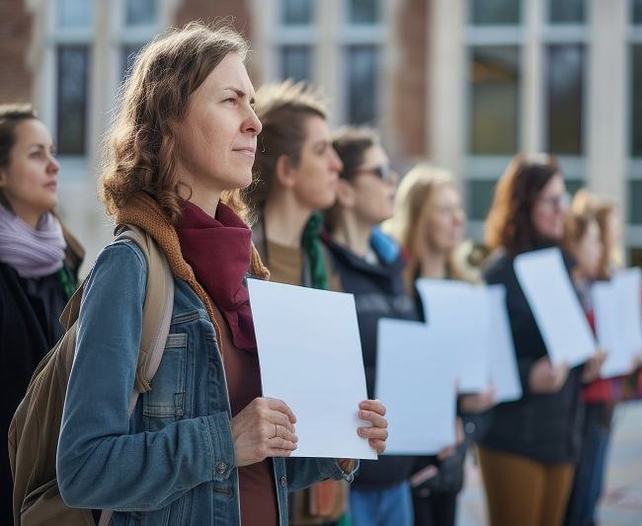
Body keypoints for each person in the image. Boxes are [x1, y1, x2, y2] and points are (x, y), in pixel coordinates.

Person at [55, 23, 387, 526]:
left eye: (252, 103)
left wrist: (340, 442)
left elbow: (252, 468)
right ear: (169, 123)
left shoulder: (247, 272)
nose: (254, 122)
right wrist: (224, 440)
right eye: (231, 100)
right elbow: (83, 470)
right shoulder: (130, 267)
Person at [477, 154, 604, 526]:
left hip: (562, 435)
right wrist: (529, 373)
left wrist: (587, 360)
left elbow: (568, 342)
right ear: (523, 204)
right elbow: (484, 359)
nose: (562, 209)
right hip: (513, 437)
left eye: (563, 198)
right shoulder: (499, 272)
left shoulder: (564, 263)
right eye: (551, 200)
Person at [246, 80, 347, 525]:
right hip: (260, 491)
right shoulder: (241, 259)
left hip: (317, 495)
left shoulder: (320, 259)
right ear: (286, 170)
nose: (337, 164)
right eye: (322, 150)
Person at [384, 164, 494, 526]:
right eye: (445, 210)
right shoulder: (395, 289)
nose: (457, 220)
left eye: (457, 209)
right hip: (404, 458)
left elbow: (478, 373)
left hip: (451, 457)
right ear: (417, 217)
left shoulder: (467, 288)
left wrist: (475, 401)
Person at [323, 127, 417, 526]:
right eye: (381, 172)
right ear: (344, 190)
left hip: (399, 475)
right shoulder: (325, 266)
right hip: (351, 480)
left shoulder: (393, 264)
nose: (393, 180)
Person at [0, 104, 83, 523]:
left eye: (52, 152)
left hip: (53, 488)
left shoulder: (67, 261)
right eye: (36, 155)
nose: (53, 165)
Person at [562, 193, 623, 526]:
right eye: (599, 238)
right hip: (585, 401)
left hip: (603, 396)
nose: (607, 244)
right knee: (582, 494)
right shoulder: (579, 288)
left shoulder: (604, 282)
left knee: (591, 491)